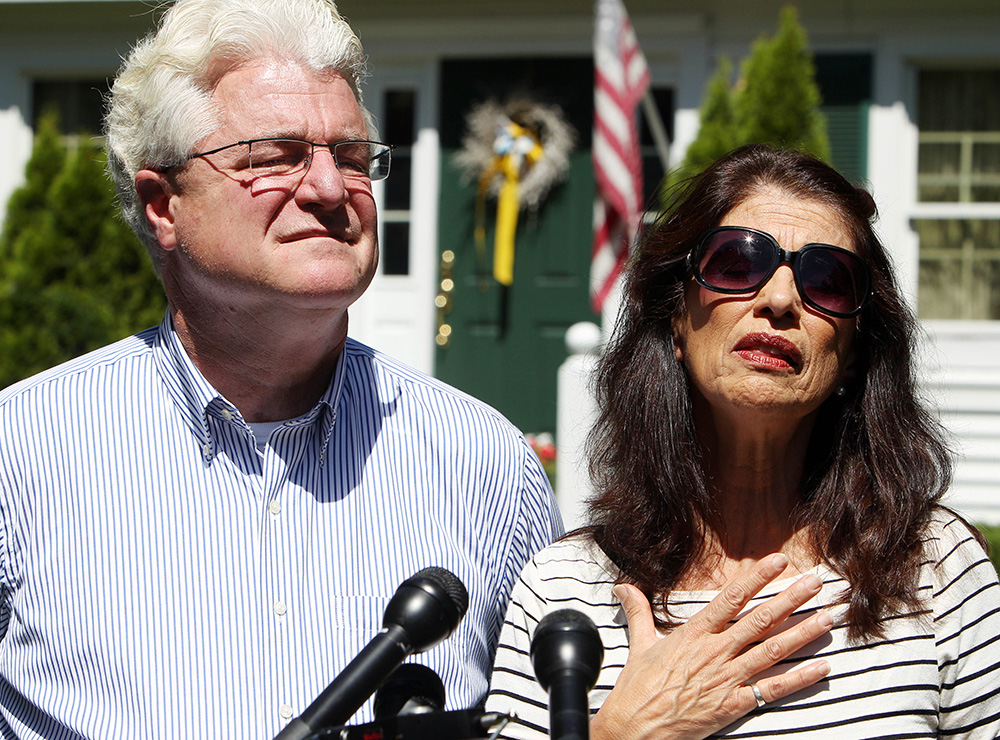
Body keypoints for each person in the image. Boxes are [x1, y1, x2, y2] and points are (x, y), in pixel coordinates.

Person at [0, 1, 562, 737]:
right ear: (162, 205)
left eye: (353, 156)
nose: (332, 190)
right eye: (275, 157)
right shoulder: (22, 454)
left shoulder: (484, 461)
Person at [487, 145, 1000, 739]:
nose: (779, 300)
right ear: (677, 318)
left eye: (827, 280)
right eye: (737, 263)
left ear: (856, 350)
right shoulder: (564, 591)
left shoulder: (934, 566)